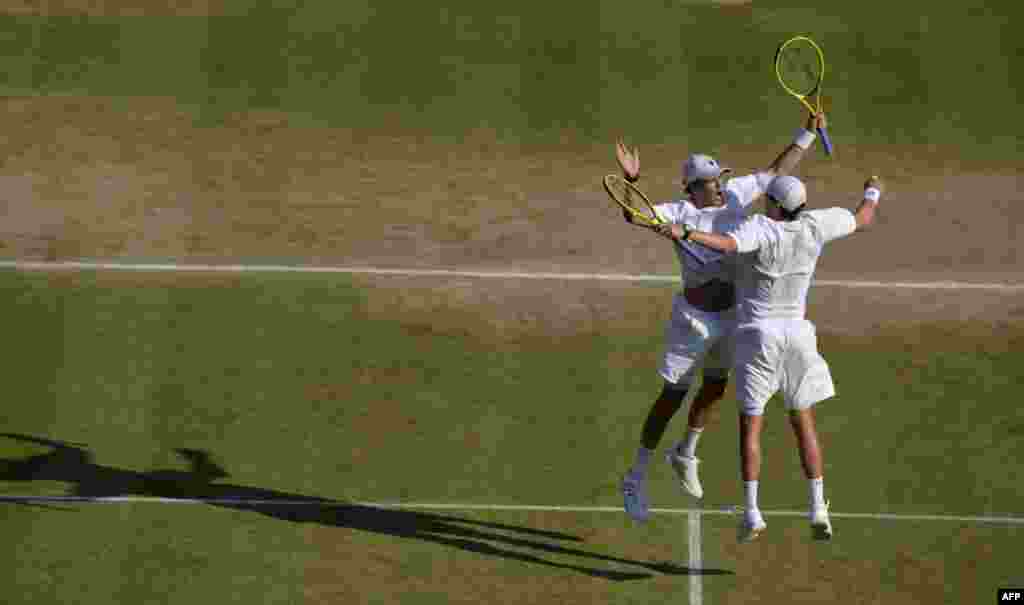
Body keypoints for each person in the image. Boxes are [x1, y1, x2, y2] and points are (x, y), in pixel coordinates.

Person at [616, 111, 828, 522]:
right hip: (692, 319)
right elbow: (633, 215)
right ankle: (636, 476)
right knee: (671, 397)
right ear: (693, 188)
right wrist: (631, 182)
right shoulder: (676, 212)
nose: (720, 186)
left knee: (715, 388)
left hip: (732, 315)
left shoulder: (735, 195)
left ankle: (686, 453)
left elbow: (774, 172)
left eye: (720, 179)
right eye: (712, 181)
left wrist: (807, 132)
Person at [658, 172, 884, 542]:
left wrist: (686, 233)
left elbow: (726, 244)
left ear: (776, 205)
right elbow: (862, 218)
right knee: (803, 421)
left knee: (752, 426)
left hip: (758, 337)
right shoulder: (816, 224)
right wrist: (872, 189)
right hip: (798, 337)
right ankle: (818, 508)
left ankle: (751, 513)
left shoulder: (761, 229)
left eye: (769, 200)